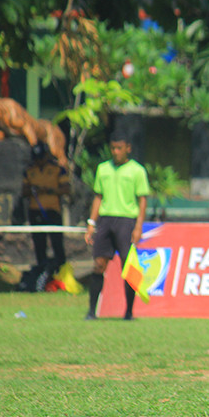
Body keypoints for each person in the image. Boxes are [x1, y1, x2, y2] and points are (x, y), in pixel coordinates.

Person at [84, 132, 150, 320]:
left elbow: (142, 200)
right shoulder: (103, 169)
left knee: (127, 268)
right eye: (113, 148)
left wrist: (138, 227)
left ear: (128, 148)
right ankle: (91, 311)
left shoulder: (137, 171)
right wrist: (91, 223)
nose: (115, 152)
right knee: (99, 264)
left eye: (119, 148)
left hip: (126, 221)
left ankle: (128, 312)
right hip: (105, 220)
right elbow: (98, 196)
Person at [21, 142, 70, 269]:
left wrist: (49, 190)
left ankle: (61, 270)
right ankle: (42, 270)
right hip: (35, 211)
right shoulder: (29, 171)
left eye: (41, 158)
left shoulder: (57, 169)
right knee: (39, 243)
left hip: (53, 211)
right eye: (37, 159)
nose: (39, 161)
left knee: (57, 243)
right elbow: (24, 191)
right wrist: (34, 190)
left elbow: (66, 189)